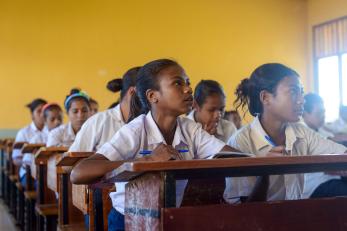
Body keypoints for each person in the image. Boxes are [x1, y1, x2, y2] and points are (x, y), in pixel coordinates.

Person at [71, 59, 240, 231]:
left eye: (188, 82)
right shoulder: (135, 130)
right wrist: (147, 161)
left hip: (170, 219)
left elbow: (234, 157)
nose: (188, 88)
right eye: (177, 83)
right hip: (128, 221)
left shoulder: (191, 130)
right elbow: (78, 173)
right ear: (153, 96)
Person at [224, 63, 347, 204]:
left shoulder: (301, 132)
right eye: (293, 92)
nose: (302, 100)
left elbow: (341, 154)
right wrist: (265, 173)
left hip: (295, 218)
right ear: (265, 98)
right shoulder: (240, 142)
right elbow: (245, 211)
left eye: (301, 91)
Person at [69, 66, 142, 152]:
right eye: (149, 92)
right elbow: (72, 160)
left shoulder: (149, 121)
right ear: (133, 92)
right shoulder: (98, 122)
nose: (154, 98)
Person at [13, 98, 47, 187]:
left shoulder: (53, 132)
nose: (42, 114)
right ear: (32, 115)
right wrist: (31, 164)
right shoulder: (23, 132)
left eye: (44, 111)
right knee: (44, 186)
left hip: (48, 172)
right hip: (28, 174)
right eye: (39, 111)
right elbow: (16, 159)